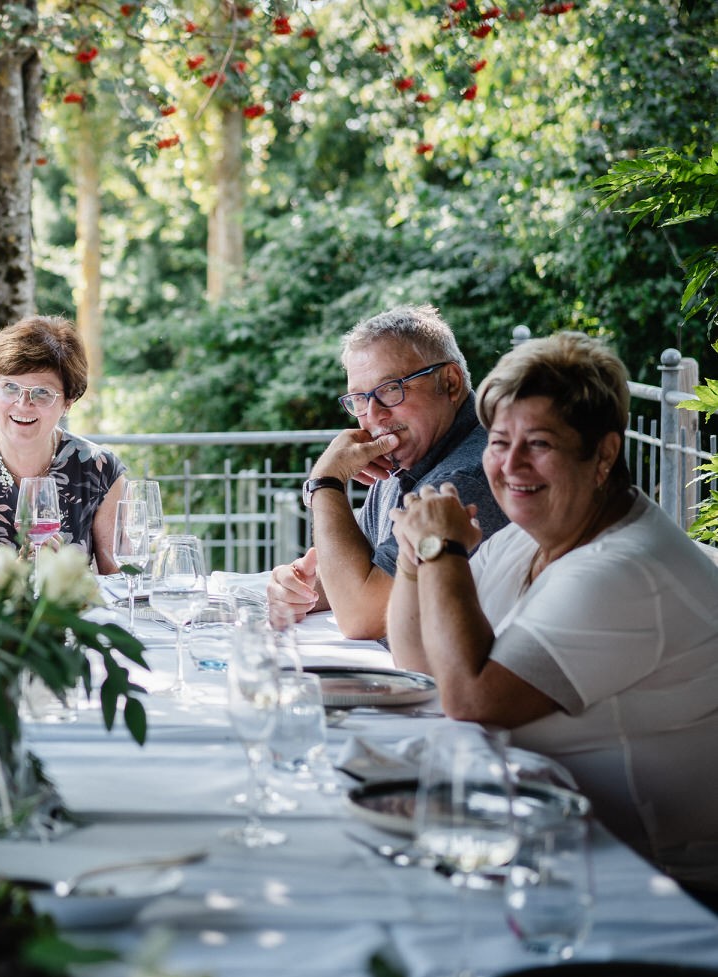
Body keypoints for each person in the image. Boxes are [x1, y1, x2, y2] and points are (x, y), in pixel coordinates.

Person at [387, 332, 718, 898]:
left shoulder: (623, 569)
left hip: (656, 885)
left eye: (538, 443)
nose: (511, 465)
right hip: (559, 839)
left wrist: (444, 551)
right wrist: (418, 560)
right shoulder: (530, 539)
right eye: (498, 441)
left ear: (604, 455)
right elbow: (419, 660)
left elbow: (470, 701)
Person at [267, 305, 507, 638]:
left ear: (450, 383)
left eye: (390, 389)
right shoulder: (409, 458)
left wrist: (325, 484)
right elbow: (367, 572)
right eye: (359, 399)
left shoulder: (463, 479)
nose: (372, 415)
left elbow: (362, 615)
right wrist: (301, 587)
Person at [0, 315, 127, 573]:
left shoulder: (100, 469)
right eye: (10, 387)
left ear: (68, 402)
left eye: (42, 393)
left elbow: (120, 580)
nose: (23, 403)